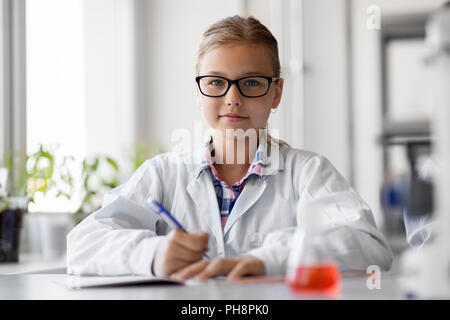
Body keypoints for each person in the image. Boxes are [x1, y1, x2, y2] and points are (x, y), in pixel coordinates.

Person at [67, 15, 393, 281]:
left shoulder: (308, 172)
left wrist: (269, 259)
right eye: (216, 82)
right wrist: (153, 254)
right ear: (198, 91)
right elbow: (83, 245)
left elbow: (369, 247)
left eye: (251, 82)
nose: (232, 98)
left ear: (276, 92)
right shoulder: (161, 174)